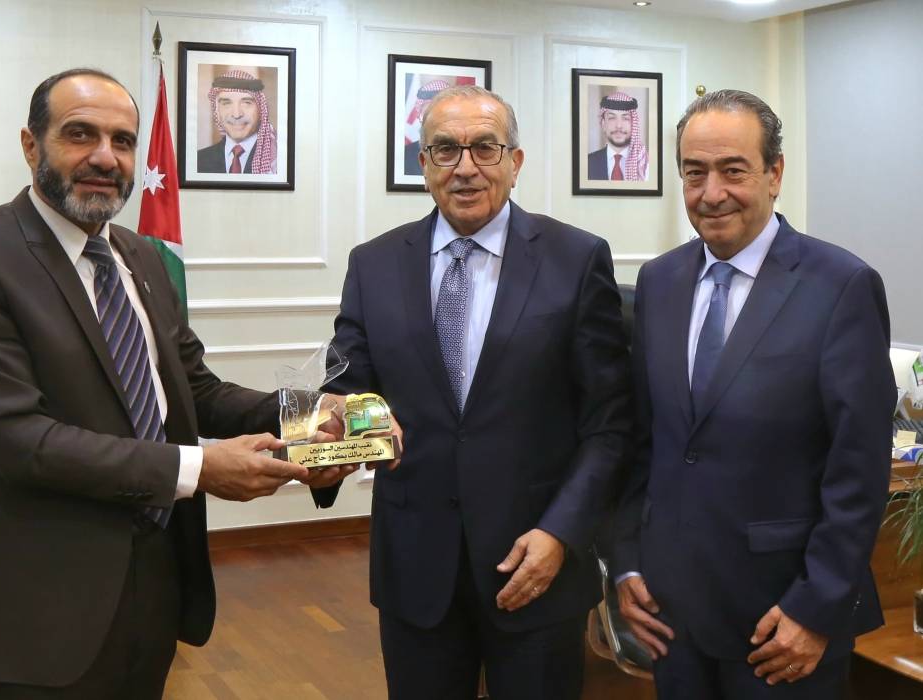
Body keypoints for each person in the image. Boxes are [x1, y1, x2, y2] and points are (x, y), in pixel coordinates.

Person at [0, 68, 352, 699]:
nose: (105, 157)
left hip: (156, 577)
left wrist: (309, 415)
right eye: (80, 134)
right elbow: (14, 438)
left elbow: (195, 392)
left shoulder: (141, 255)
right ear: (31, 145)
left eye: (122, 141)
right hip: (47, 600)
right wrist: (199, 468)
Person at [314, 84, 632, 699]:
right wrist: (332, 436)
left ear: (515, 162)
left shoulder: (576, 259)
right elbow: (346, 388)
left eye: (485, 148)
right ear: (423, 163)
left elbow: (609, 424)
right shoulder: (374, 264)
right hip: (415, 567)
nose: (465, 168)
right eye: (445, 150)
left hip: (536, 562)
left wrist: (562, 532)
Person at [612, 89, 895, 698]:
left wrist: (815, 608)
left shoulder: (841, 286)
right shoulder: (659, 282)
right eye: (694, 173)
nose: (711, 193)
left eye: (733, 170)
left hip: (783, 623)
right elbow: (644, 441)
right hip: (672, 616)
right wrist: (627, 563)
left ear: (775, 173)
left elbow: (858, 470)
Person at [196, 68, 277, 174]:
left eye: (246, 103)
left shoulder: (276, 161)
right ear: (217, 111)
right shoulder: (199, 160)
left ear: (260, 109)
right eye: (226, 103)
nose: (236, 114)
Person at [587, 92, 649, 181]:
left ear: (633, 124)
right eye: (612, 118)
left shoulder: (645, 165)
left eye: (625, 118)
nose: (619, 125)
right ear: (603, 124)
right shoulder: (587, 163)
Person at [404, 79, 452, 175]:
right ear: (419, 116)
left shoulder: (465, 153)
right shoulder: (407, 154)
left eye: (440, 115)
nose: (433, 122)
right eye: (427, 115)